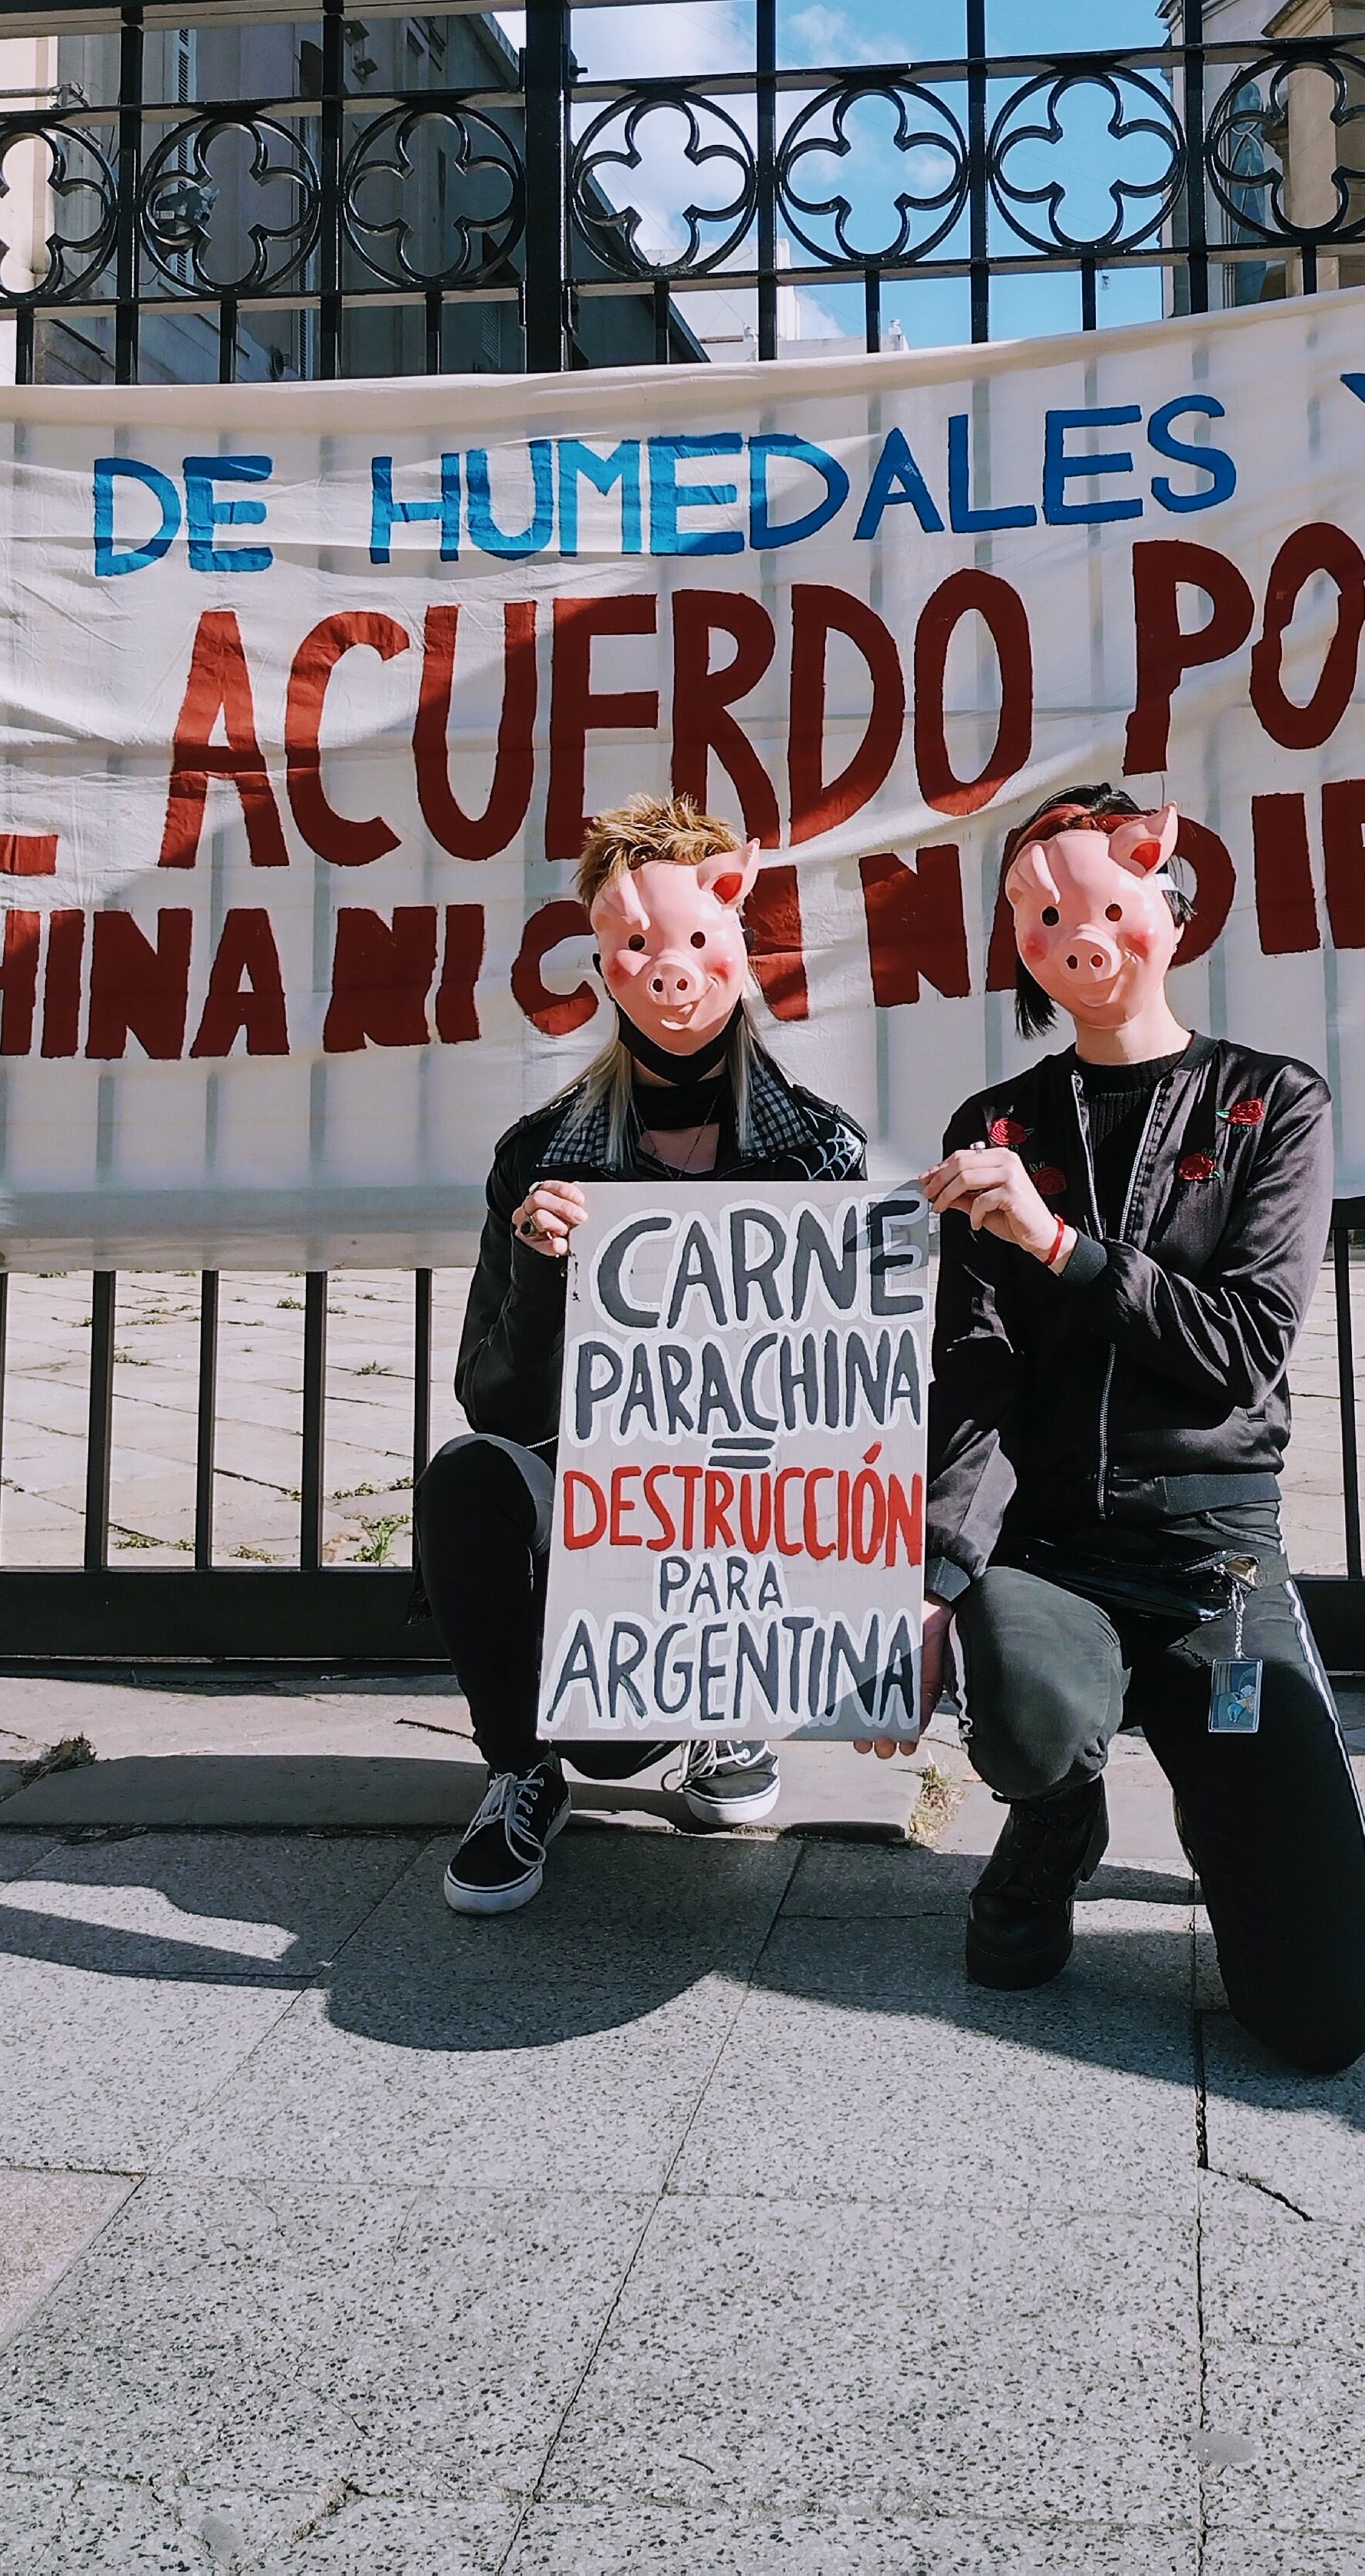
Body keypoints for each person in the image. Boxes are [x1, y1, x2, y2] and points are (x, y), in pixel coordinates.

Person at [899, 781, 1365, 2074]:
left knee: (1318, 2021)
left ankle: (1231, 1818)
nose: (1076, 937)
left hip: (1214, 1565)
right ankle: (1058, 1819)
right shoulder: (994, 1127)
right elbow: (976, 1367)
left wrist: (1058, 1243)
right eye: (1042, 915)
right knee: (1027, 1708)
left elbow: (1240, 1347)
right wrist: (936, 1577)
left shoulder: (1274, 1103)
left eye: (1102, 905)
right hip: (1057, 1552)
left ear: (1166, 906)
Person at [419, 792, 864, 1913]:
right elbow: (492, 1402)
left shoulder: (821, 1151)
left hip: (744, 1511)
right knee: (467, 1481)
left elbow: (857, 1400)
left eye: (696, 942)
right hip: (596, 1501)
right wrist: (533, 1270)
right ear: (607, 967)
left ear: (735, 948)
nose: (672, 973)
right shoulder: (542, 1157)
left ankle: (731, 1709)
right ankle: (522, 1768)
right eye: (637, 947)